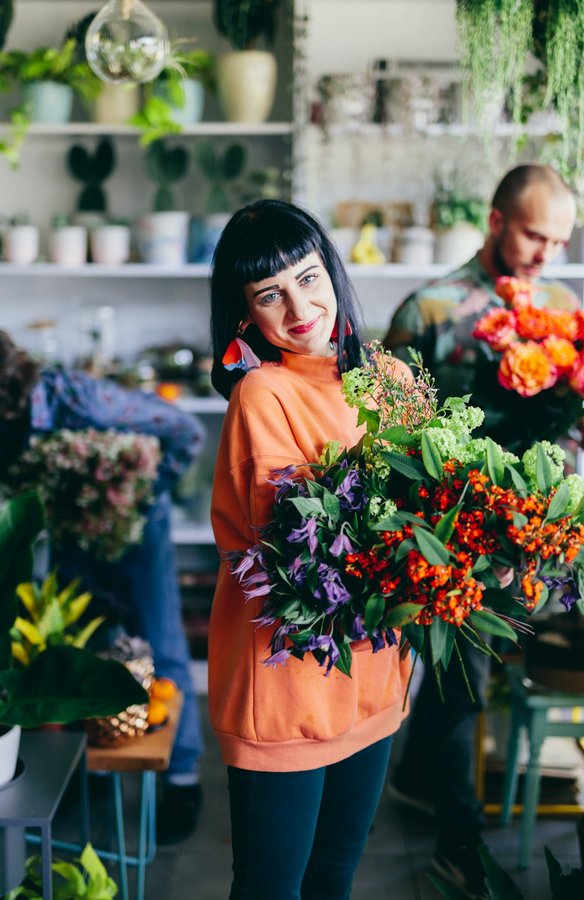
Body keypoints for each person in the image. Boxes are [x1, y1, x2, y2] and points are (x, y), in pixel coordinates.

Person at [208, 198, 416, 900]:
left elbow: (431, 515)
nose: (299, 307)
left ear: (333, 270)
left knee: (334, 877)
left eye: (308, 276)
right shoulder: (263, 394)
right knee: (271, 888)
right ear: (245, 318)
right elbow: (300, 547)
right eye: (270, 294)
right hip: (287, 687)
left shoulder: (391, 381)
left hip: (374, 680)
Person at [383, 163, 578, 899]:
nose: (546, 254)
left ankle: (415, 777)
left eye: (558, 240)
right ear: (496, 221)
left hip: (536, 537)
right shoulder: (429, 309)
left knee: (473, 685)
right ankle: (459, 848)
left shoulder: (561, 304)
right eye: (534, 234)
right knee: (463, 684)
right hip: (449, 543)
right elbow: (387, 435)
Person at [0, 328, 206, 844]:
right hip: (72, 529)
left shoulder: (75, 396)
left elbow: (182, 428)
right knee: (82, 644)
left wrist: (146, 495)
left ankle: (182, 778)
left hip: (136, 525)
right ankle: (97, 770)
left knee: (162, 642)